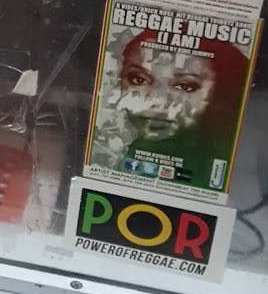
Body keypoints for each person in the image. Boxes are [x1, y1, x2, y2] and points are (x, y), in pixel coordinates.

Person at [93, 27, 249, 191]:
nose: (157, 100)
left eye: (186, 86)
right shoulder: (104, 152)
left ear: (218, 93)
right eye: (138, 79)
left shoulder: (230, 172)